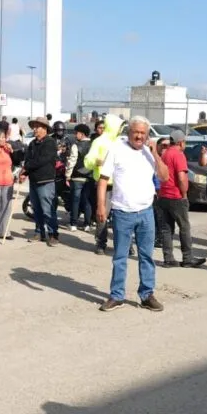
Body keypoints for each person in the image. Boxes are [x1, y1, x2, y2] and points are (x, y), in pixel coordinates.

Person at [96, 116, 169, 313]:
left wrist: (155, 153)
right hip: (122, 212)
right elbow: (103, 180)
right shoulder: (117, 149)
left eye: (143, 133)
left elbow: (165, 176)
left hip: (146, 212)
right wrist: (101, 206)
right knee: (120, 257)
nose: (139, 136)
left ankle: (147, 294)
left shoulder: (148, 152)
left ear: (147, 135)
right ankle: (117, 295)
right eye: (136, 132)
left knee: (147, 256)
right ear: (129, 132)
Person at [157, 130, 206, 269]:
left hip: (163, 195)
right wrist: (184, 194)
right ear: (180, 142)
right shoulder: (178, 155)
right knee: (184, 227)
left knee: (166, 229)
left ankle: (168, 258)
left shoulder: (165, 154)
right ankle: (188, 258)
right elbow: (181, 177)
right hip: (176, 196)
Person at [84, 114, 123, 255]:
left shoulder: (121, 142)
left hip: (120, 185)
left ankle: (125, 243)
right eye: (119, 126)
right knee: (102, 215)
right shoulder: (99, 142)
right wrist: (96, 161)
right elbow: (87, 161)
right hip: (104, 185)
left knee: (123, 216)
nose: (121, 129)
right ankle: (101, 243)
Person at [21, 116, 59, 246]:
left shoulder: (50, 142)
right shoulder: (32, 143)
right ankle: (39, 232)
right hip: (34, 181)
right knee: (36, 209)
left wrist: (27, 167)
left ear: (45, 129)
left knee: (47, 209)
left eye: (37, 127)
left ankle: (53, 234)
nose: (35, 129)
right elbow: (28, 160)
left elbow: (42, 160)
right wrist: (25, 172)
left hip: (46, 181)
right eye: (34, 127)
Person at [67, 124, 94, 231]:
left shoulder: (76, 145)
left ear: (82, 134)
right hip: (89, 177)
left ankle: (73, 224)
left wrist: (67, 175)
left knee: (75, 201)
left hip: (77, 177)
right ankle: (87, 224)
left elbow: (72, 162)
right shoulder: (93, 145)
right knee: (87, 201)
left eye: (76, 133)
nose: (75, 135)